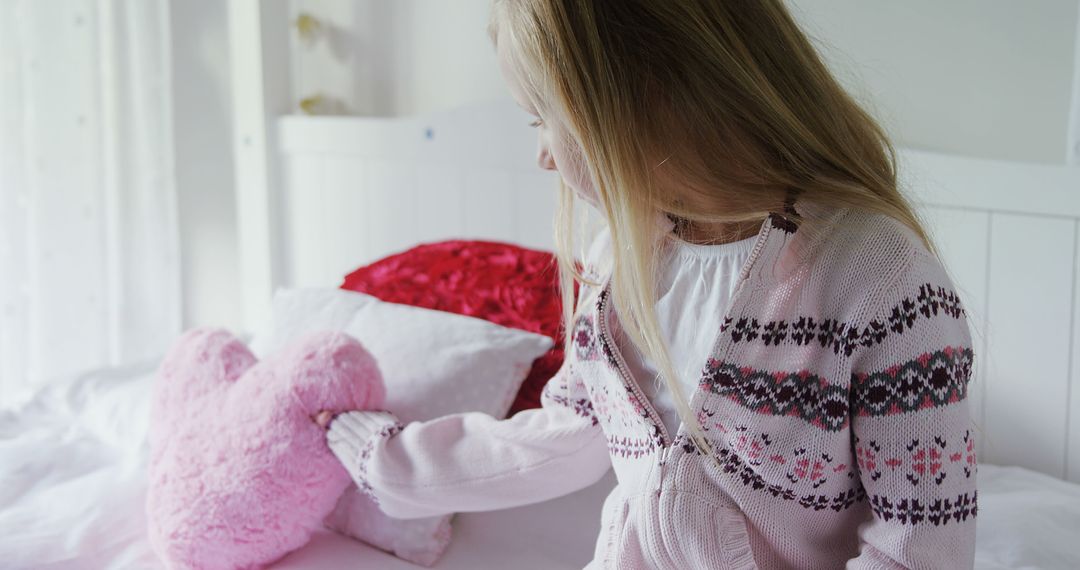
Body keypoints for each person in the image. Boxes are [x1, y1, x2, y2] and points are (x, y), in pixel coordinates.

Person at [314, 1, 979, 568]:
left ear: (647, 98)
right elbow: (564, 438)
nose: (541, 153)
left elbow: (918, 547)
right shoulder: (623, 263)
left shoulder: (879, 280)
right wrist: (381, 461)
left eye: (543, 118)